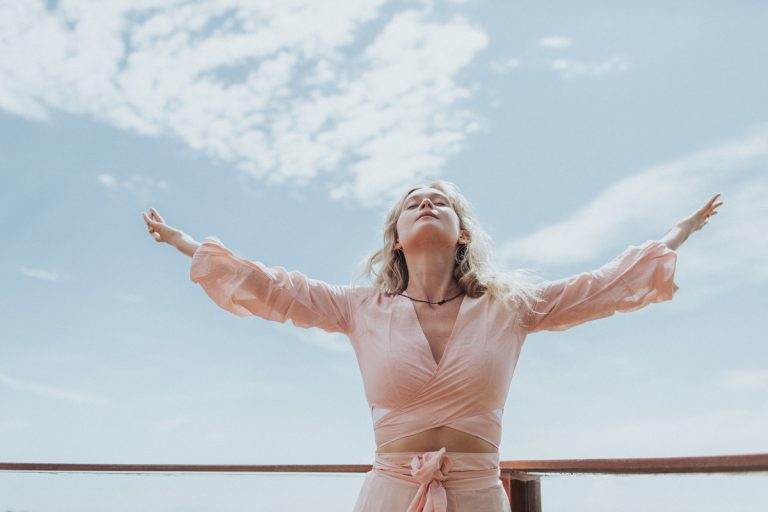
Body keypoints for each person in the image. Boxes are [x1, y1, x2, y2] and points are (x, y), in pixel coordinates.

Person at [142, 181, 722, 511]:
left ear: (462, 231)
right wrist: (183, 242)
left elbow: (605, 286)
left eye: (439, 201)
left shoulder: (510, 307)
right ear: (395, 239)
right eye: (412, 203)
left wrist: (679, 233)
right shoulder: (359, 307)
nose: (425, 204)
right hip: (391, 492)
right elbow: (273, 287)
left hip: (476, 494)